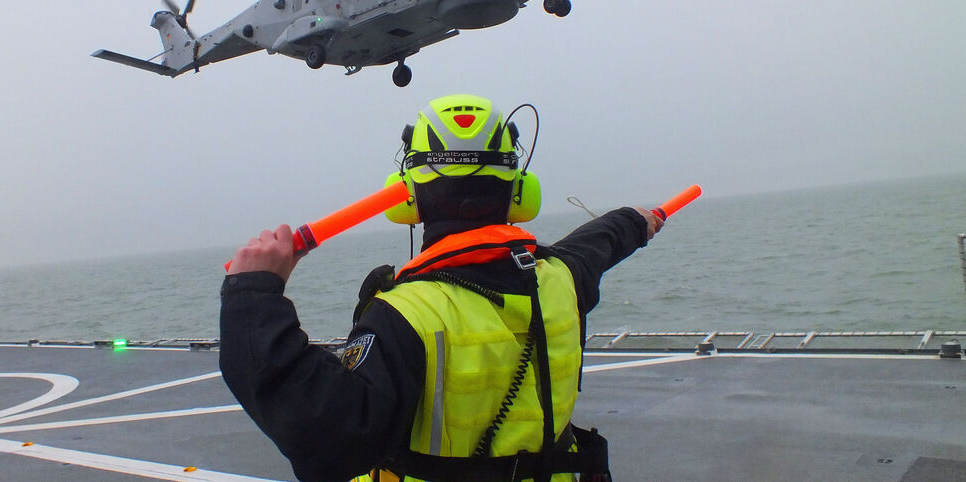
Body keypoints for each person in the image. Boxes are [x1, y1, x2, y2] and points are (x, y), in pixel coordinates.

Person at [220, 94, 662, 481]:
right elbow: (599, 243)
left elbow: (331, 447)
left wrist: (254, 297)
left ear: (407, 195)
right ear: (518, 191)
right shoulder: (562, 278)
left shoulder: (401, 316)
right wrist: (636, 221)